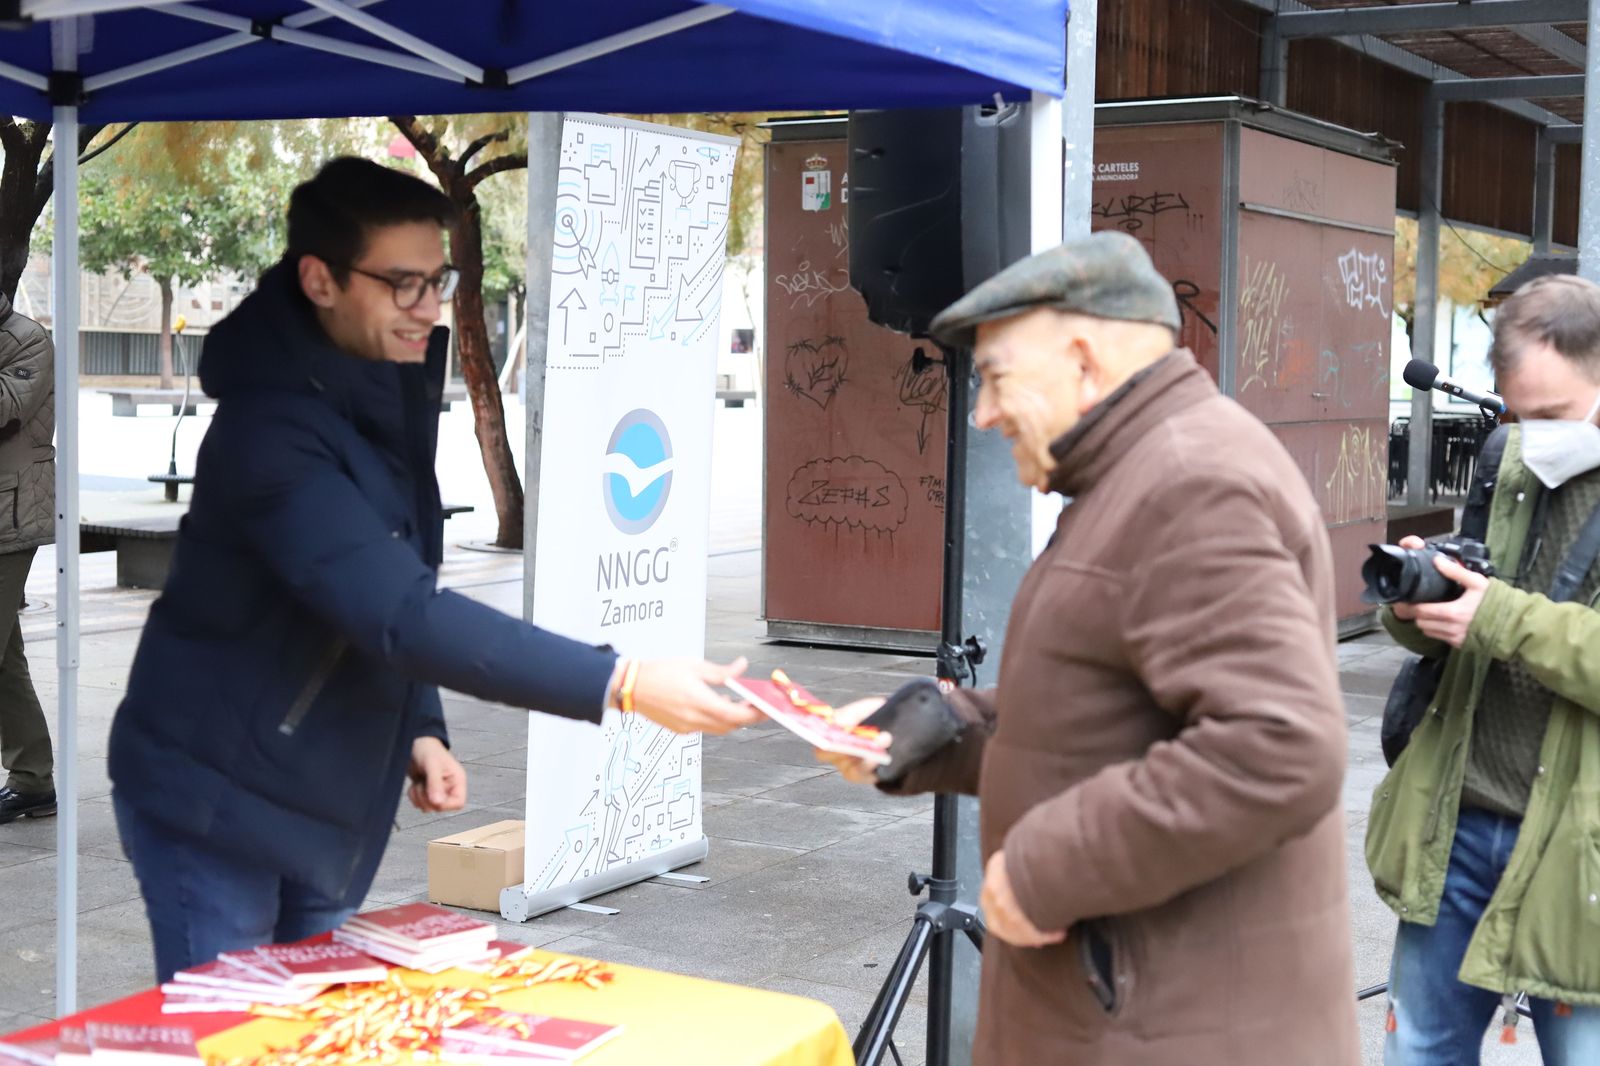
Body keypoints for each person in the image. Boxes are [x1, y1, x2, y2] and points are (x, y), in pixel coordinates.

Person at [107, 158, 759, 983]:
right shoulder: (270, 430)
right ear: (321, 280)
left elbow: (389, 576)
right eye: (403, 283)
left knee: (312, 1031)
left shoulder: (378, 387)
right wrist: (621, 681)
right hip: (214, 800)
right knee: (235, 1039)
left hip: (319, 790)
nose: (431, 306)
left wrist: (420, 726)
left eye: (439, 279)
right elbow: (401, 612)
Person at [815, 231, 1359, 1065]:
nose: (984, 414)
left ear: (1081, 358)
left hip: (1166, 1027)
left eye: (996, 379)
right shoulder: (1144, 471)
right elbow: (1106, 718)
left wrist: (1044, 869)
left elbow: (1277, 745)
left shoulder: (1189, 483)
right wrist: (939, 731)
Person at [1365, 274, 1600, 1065]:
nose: (1534, 434)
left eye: (1556, 415)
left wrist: (1494, 616)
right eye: (1519, 413)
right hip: (1457, 825)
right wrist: (1420, 611)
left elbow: (1506, 621)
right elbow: (1476, 616)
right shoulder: (1510, 457)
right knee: (1421, 1051)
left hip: (1581, 852)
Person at [0, 290, 56, 826]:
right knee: (6, 657)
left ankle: (32, 780)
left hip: (10, 519)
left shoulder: (27, 340)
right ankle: (33, 780)